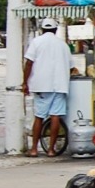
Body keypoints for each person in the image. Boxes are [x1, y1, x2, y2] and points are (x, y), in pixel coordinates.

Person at [22, 18, 74, 156]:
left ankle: (34, 149)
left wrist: (25, 82)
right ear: (56, 30)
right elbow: (71, 67)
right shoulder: (63, 45)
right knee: (55, 117)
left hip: (42, 85)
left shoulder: (36, 42)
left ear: (42, 29)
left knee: (39, 116)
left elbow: (29, 63)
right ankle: (51, 150)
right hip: (60, 85)